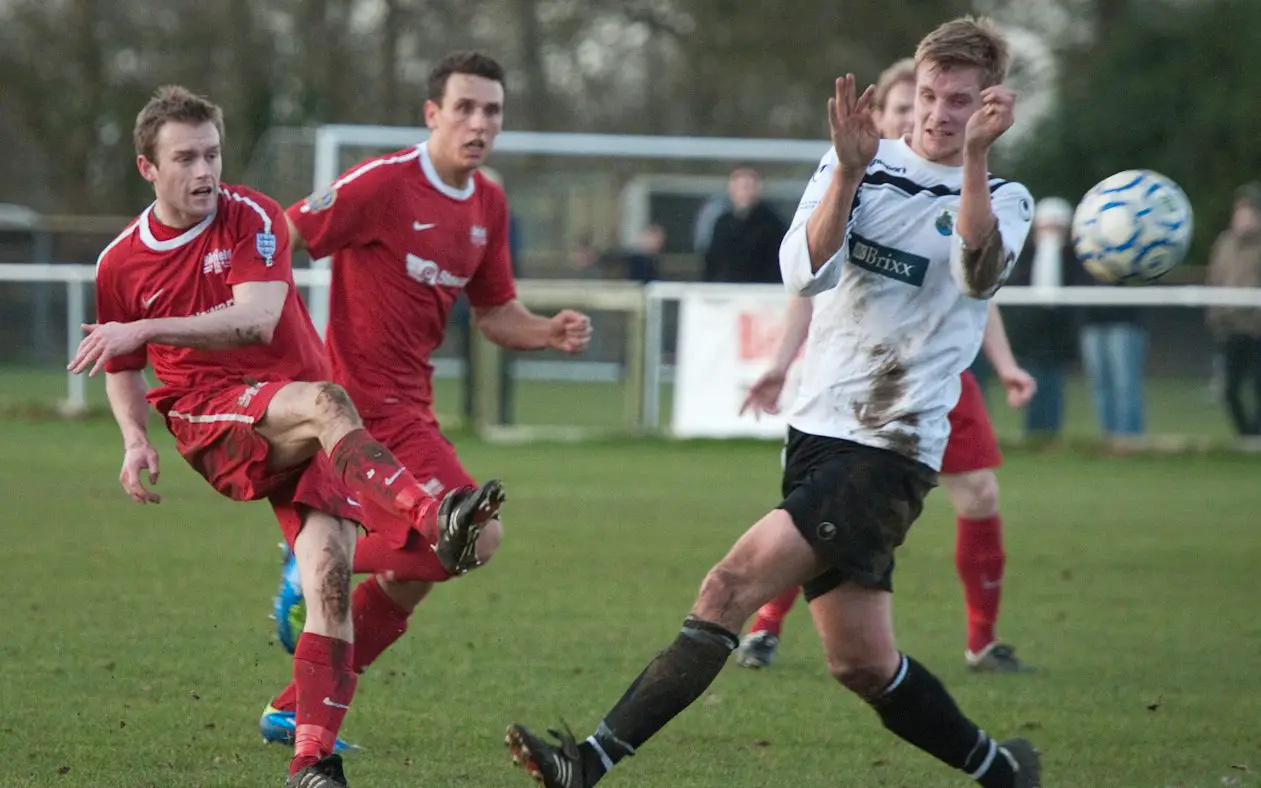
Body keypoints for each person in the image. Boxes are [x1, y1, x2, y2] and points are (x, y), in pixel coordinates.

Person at [504, 16, 1041, 788]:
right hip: (815, 431)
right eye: (928, 94)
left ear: (988, 104)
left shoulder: (1004, 196)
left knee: (727, 586)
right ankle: (1002, 771)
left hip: (887, 449)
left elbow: (977, 276)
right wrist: (848, 173)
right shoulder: (860, 162)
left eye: (958, 100)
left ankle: (585, 763)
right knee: (860, 661)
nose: (937, 113)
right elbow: (802, 272)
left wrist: (977, 159)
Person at [75, 85, 504, 788]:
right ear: (147, 168)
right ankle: (434, 517)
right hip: (212, 417)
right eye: (185, 158)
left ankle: (310, 760)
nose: (205, 171)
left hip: (293, 415)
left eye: (212, 153)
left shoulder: (253, 218)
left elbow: (256, 317)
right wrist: (133, 440)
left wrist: (143, 328)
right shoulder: (119, 262)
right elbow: (121, 365)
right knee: (330, 403)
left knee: (329, 579)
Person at [259, 51, 592, 751]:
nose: (479, 123)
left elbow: (495, 313)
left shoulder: (487, 204)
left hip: (412, 411)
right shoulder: (382, 183)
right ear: (432, 114)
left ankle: (294, 705)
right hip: (354, 416)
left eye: (492, 111)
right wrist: (263, 332)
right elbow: (281, 237)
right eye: (464, 108)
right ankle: (315, 563)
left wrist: (547, 331)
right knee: (476, 537)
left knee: (424, 571)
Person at [734, 57, 1037, 675]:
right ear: (885, 114)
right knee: (814, 515)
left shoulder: (983, 192)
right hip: (853, 386)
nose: (924, 117)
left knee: (979, 493)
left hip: (936, 380)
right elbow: (807, 284)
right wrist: (781, 362)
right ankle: (766, 624)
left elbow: (978, 290)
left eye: (947, 102)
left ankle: (982, 641)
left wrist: (1005, 365)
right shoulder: (865, 173)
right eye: (911, 104)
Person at [1206, 182, 1261, 443]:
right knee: (1229, 390)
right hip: (1231, 329)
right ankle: (1247, 437)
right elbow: (1215, 279)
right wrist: (1216, 317)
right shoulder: (1224, 243)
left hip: (1257, 329)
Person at [702, 166, 789, 283]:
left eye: (750, 186)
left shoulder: (771, 223)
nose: (746, 191)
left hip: (761, 288)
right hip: (726, 288)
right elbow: (713, 261)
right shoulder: (722, 223)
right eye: (742, 187)